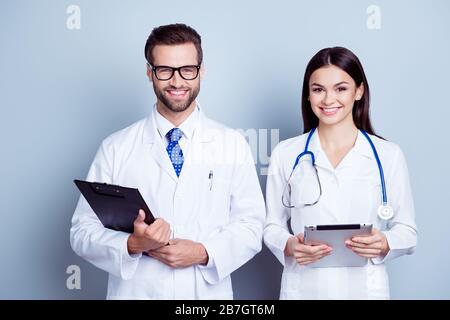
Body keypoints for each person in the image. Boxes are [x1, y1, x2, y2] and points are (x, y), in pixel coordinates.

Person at [70, 23, 265, 299]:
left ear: (202, 71)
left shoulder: (231, 144)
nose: (177, 81)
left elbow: (251, 225)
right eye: (165, 70)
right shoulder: (116, 147)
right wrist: (133, 244)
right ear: (150, 72)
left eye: (188, 70)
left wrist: (202, 252)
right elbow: (82, 231)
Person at [263, 47, 417, 299]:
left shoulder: (388, 155)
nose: (328, 99)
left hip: (365, 289)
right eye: (318, 89)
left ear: (359, 91)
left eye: (340, 88)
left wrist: (385, 242)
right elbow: (271, 226)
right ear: (308, 95)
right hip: (304, 289)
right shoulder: (286, 153)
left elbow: (407, 231)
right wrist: (289, 245)